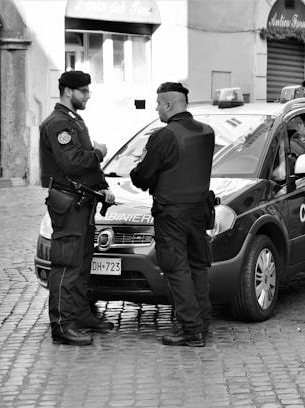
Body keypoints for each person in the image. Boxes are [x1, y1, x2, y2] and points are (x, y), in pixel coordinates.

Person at [130, 82, 215, 347]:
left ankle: (191, 330)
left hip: (172, 214)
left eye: (158, 104)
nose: (156, 108)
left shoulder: (165, 136)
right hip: (199, 211)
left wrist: (138, 172)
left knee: (177, 270)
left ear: (168, 104)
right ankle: (202, 323)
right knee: (198, 268)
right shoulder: (207, 131)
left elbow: (142, 177)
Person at [40, 70, 116, 346]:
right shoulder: (58, 124)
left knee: (82, 263)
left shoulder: (74, 121)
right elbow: (73, 162)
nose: (87, 95)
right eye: (83, 91)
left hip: (82, 201)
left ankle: (82, 315)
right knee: (67, 263)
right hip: (68, 202)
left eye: (87, 91)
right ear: (68, 91)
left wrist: (103, 186)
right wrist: (99, 152)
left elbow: (87, 167)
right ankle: (61, 324)